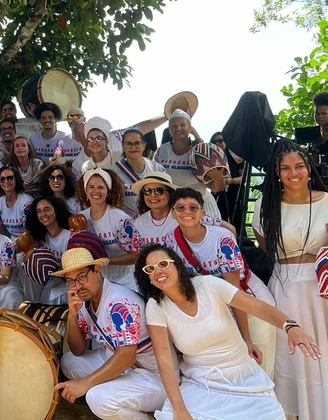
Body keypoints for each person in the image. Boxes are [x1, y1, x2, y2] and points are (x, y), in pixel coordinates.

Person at [136, 244, 320, 420]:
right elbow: (164, 360)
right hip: (202, 383)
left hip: (244, 378)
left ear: (176, 264)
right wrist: (179, 409)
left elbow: (257, 307)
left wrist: (290, 326)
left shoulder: (208, 285)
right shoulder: (156, 306)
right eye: (150, 269)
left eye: (163, 264)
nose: (157, 271)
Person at [253, 139, 328, 419]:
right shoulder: (265, 205)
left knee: (324, 351)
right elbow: (266, 248)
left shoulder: (327, 201)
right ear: (276, 171)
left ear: (309, 167)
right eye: (285, 168)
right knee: (290, 356)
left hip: (321, 288)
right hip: (284, 286)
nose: (293, 173)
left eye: (299, 166)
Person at [167, 187, 277, 377]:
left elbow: (233, 290)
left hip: (247, 299)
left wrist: (247, 339)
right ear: (173, 213)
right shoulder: (171, 243)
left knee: (258, 361)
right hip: (215, 306)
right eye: (180, 208)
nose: (187, 212)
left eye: (193, 208)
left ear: (202, 213)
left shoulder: (222, 238)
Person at [53, 248, 170, 420]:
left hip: (154, 376)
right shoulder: (86, 300)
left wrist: (84, 385)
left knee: (97, 398)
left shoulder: (119, 303)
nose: (78, 286)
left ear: (97, 270)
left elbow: (127, 356)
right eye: (71, 281)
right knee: (69, 361)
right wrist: (72, 315)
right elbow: (78, 350)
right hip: (123, 367)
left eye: (82, 277)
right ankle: (120, 397)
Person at [132, 172, 232, 248]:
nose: (152, 195)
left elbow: (229, 228)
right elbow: (137, 254)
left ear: (170, 194)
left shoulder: (185, 215)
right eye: (147, 191)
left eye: (159, 191)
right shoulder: (139, 222)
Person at [153, 110, 222, 219]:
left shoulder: (200, 151)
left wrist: (218, 179)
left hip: (201, 207)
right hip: (172, 208)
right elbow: (156, 181)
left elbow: (216, 187)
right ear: (169, 130)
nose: (178, 128)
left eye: (183, 125)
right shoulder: (161, 151)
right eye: (174, 126)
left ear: (190, 128)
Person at [78, 168, 139, 290]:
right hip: (98, 282)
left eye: (101, 187)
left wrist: (107, 261)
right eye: (91, 187)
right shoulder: (81, 218)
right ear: (85, 190)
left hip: (126, 281)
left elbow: (136, 256)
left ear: (109, 191)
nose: (96, 191)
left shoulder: (121, 220)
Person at [21, 195, 71, 304]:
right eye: (39, 211)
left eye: (47, 209)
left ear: (56, 211)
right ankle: (31, 306)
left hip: (70, 283)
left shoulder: (70, 237)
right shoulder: (40, 238)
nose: (43, 214)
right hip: (52, 282)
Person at [114, 129, 166, 218]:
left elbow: (165, 197)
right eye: (128, 144)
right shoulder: (115, 171)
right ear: (123, 146)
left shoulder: (158, 169)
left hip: (153, 219)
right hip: (126, 222)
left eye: (137, 143)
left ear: (144, 145)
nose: (133, 147)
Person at [209, 131, 244, 231]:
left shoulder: (236, 157)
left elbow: (243, 178)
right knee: (219, 221)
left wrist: (230, 181)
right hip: (218, 194)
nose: (217, 144)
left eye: (220, 141)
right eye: (214, 142)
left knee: (238, 222)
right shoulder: (210, 159)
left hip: (235, 193)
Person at [0, 166, 33, 239]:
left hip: (29, 242)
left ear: (16, 179)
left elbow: (29, 232)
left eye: (9, 178)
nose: (6, 181)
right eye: (2, 179)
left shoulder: (27, 202)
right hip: (12, 242)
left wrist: (14, 249)